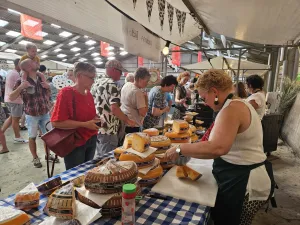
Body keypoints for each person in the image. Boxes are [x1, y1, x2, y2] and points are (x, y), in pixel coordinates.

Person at [165, 69, 272, 225]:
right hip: (241, 176)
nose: (205, 103)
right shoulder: (236, 104)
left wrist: (180, 149)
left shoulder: (232, 109)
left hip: (245, 182)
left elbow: (217, 148)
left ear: (214, 92)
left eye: (204, 97)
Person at [51, 62, 100, 170]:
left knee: (88, 173)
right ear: (79, 76)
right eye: (91, 78)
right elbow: (56, 122)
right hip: (75, 143)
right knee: (75, 178)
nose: (93, 81)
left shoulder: (89, 94)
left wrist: (96, 119)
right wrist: (85, 125)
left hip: (91, 139)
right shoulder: (66, 93)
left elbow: (89, 115)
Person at [9, 59, 56, 168]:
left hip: (45, 112)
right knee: (32, 137)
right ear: (29, 67)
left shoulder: (41, 78)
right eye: (34, 62)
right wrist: (21, 87)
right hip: (32, 114)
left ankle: (48, 155)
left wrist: (48, 88)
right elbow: (11, 97)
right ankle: (35, 158)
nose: (37, 63)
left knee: (48, 135)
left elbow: (48, 94)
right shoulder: (21, 81)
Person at [91, 60, 136, 157]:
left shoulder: (96, 83)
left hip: (98, 127)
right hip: (109, 129)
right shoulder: (113, 85)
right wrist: (127, 120)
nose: (121, 75)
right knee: (108, 159)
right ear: (113, 70)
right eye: (120, 72)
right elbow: (114, 108)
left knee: (100, 157)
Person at [2, 58, 28, 143]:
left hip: (9, 98)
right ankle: (17, 137)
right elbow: (19, 88)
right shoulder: (16, 74)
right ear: (19, 64)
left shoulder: (10, 72)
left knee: (11, 118)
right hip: (15, 100)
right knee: (15, 119)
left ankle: (1, 133)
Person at [121, 67, 150, 134]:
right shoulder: (137, 92)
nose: (147, 83)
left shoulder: (127, 84)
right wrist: (146, 99)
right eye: (146, 81)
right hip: (133, 125)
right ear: (140, 79)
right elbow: (143, 113)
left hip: (125, 122)